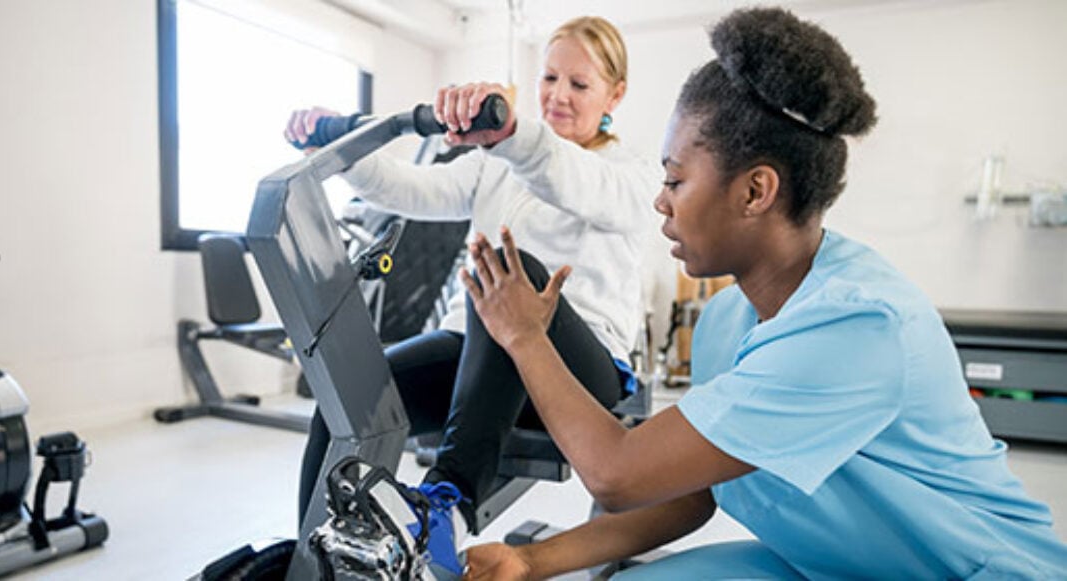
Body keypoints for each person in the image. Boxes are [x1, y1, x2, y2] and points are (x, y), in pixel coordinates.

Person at [458, 7, 1067, 580]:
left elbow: (616, 475)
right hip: (825, 559)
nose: (660, 201)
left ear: (755, 192)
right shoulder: (728, 319)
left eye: (674, 179)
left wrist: (524, 335)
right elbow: (690, 491)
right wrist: (533, 563)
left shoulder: (857, 326)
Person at [283, 16, 660, 577]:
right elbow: (409, 189)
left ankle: (448, 504)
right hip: (476, 346)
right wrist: (337, 146)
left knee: (511, 273)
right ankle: (314, 561)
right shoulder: (498, 163)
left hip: (579, 371)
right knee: (349, 403)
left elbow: (568, 179)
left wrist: (512, 137)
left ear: (615, 94)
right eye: (550, 78)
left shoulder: (630, 173)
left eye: (578, 85)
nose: (558, 96)